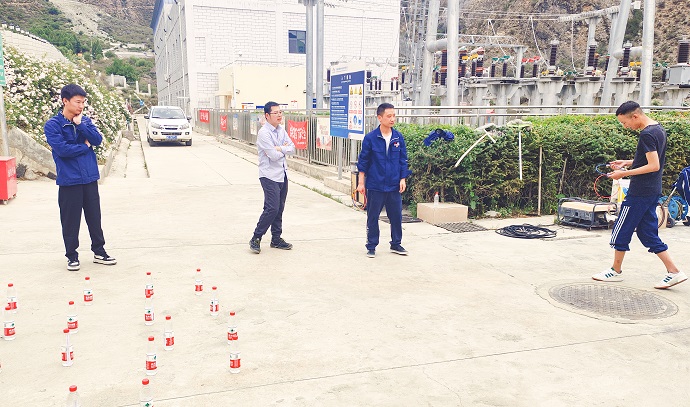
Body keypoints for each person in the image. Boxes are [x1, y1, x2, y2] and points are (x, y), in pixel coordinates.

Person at [592, 101, 686, 289]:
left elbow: (653, 165)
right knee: (647, 233)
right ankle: (674, 271)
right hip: (652, 190)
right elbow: (650, 159)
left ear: (635, 116)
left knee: (621, 229)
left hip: (640, 192)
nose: (625, 126)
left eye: (625, 122)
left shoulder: (646, 135)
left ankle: (615, 271)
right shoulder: (657, 129)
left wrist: (623, 174)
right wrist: (627, 162)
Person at [44, 84, 116, 271]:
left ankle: (99, 251)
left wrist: (81, 125)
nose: (81, 106)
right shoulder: (53, 125)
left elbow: (97, 140)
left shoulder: (84, 121)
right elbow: (63, 150)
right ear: (65, 101)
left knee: (94, 218)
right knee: (70, 220)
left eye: (83, 102)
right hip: (69, 180)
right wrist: (84, 147)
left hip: (89, 177)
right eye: (78, 102)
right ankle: (72, 256)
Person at [356, 103, 411, 258]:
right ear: (380, 118)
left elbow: (403, 160)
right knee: (373, 216)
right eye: (389, 116)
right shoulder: (371, 138)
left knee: (396, 216)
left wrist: (402, 179)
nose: (392, 119)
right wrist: (361, 183)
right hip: (376, 184)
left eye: (394, 116)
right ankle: (371, 245)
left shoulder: (398, 137)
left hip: (394, 185)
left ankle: (396, 244)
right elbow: (363, 161)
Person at [249, 101, 295, 253]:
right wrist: (283, 150)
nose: (279, 115)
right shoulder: (264, 133)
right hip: (269, 175)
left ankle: (276, 239)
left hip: (282, 173)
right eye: (276, 113)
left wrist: (280, 148)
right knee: (272, 208)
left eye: (280, 112)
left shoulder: (281, 130)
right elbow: (273, 156)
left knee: (279, 208)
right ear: (267, 116)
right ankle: (256, 237)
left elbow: (292, 148)